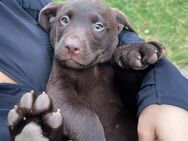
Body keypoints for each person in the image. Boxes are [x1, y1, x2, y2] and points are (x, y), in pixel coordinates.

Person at [0, 0, 187, 141]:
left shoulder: (13, 7)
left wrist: (166, 98)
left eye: (97, 26)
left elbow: (118, 34)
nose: (73, 42)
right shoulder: (60, 79)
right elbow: (60, 97)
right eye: (64, 20)